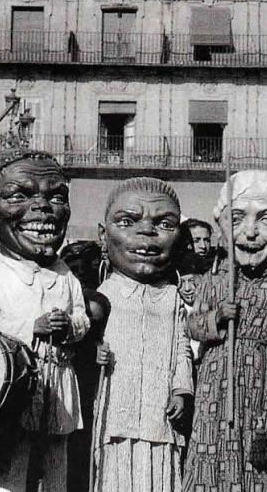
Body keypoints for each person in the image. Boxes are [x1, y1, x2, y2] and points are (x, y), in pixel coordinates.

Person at [0, 150, 91, 492]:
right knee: (11, 462)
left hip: (60, 378)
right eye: (19, 195)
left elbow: (81, 313)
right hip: (15, 384)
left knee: (57, 460)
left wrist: (72, 327)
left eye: (56, 196)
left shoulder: (64, 271)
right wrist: (31, 327)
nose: (42, 208)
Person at [185, 170, 267, 492]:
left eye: (266, 221)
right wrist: (217, 319)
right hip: (218, 384)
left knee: (264, 466)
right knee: (215, 453)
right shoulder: (216, 279)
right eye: (237, 219)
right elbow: (191, 325)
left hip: (266, 383)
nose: (250, 233)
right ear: (222, 225)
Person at [91, 177, 193, 492]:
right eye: (127, 221)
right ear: (102, 234)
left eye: (163, 224)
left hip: (159, 412)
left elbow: (182, 347)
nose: (147, 232)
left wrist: (181, 389)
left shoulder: (174, 297)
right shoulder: (101, 294)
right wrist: (93, 353)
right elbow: (86, 342)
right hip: (115, 411)